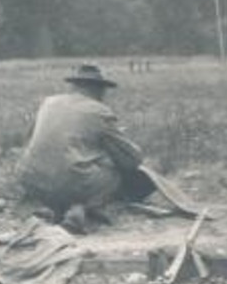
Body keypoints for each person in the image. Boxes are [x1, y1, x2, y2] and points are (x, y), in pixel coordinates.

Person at [15, 64, 155, 234]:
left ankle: (49, 208)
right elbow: (132, 158)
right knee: (114, 176)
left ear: (74, 85)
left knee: (71, 168)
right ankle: (82, 209)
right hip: (70, 181)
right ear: (96, 89)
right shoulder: (99, 111)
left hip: (28, 178)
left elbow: (29, 139)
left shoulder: (49, 102)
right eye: (103, 90)